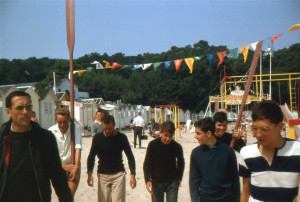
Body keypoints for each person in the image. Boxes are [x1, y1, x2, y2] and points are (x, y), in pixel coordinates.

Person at [0, 91, 72, 202]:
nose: (25, 112)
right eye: (19, 108)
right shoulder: (2, 138)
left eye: (28, 107)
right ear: (8, 112)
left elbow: (57, 175)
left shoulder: (45, 138)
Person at [239, 100, 300, 202]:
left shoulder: (297, 151)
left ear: (280, 126)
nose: (258, 134)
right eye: (254, 128)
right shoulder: (247, 153)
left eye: (264, 129)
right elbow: (245, 192)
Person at [87, 114, 136, 202]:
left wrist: (133, 175)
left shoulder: (122, 138)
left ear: (114, 125)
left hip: (118, 175)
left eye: (109, 128)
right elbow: (91, 157)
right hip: (102, 175)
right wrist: (89, 173)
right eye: (105, 128)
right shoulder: (97, 138)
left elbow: (130, 157)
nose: (107, 131)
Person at [189, 117, 240, 202]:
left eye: (198, 133)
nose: (195, 136)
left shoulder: (228, 152)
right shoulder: (196, 153)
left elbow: (235, 180)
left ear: (208, 133)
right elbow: (194, 182)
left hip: (226, 199)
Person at [143, 121, 185, 202]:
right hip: (156, 181)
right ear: (161, 132)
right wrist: (147, 180)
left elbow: (181, 163)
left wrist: (179, 178)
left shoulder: (177, 147)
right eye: (166, 135)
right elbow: (147, 163)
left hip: (172, 181)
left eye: (170, 136)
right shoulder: (152, 145)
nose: (168, 138)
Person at [48, 107, 82, 196]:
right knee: (63, 197)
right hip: (58, 167)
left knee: (68, 196)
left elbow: (78, 148)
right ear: (55, 120)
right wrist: (62, 166)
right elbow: (49, 155)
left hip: (73, 165)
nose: (62, 125)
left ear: (69, 120)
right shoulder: (50, 131)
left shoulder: (75, 128)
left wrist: (76, 167)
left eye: (65, 122)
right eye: (59, 122)